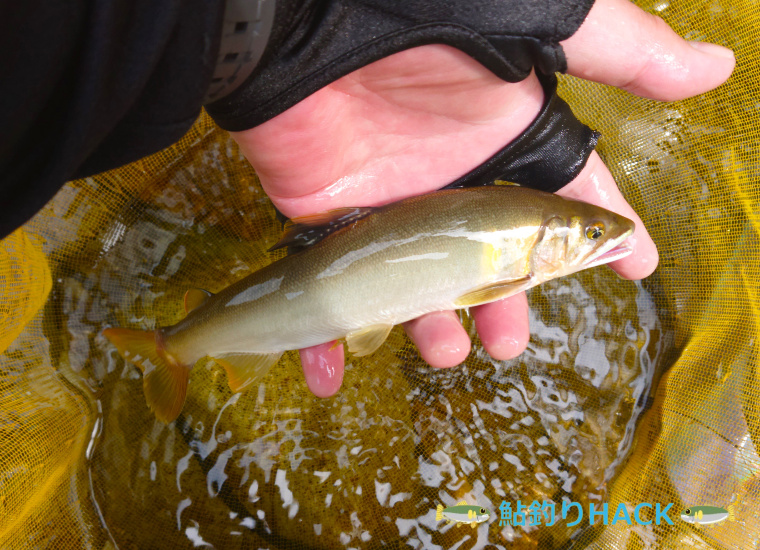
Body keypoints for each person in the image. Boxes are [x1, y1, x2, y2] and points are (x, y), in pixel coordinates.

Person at [1, 0, 734, 397]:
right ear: (540, 242)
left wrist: (270, 26)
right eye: (586, 237)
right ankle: (176, 350)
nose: (601, 245)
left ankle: (179, 348)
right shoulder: (513, 260)